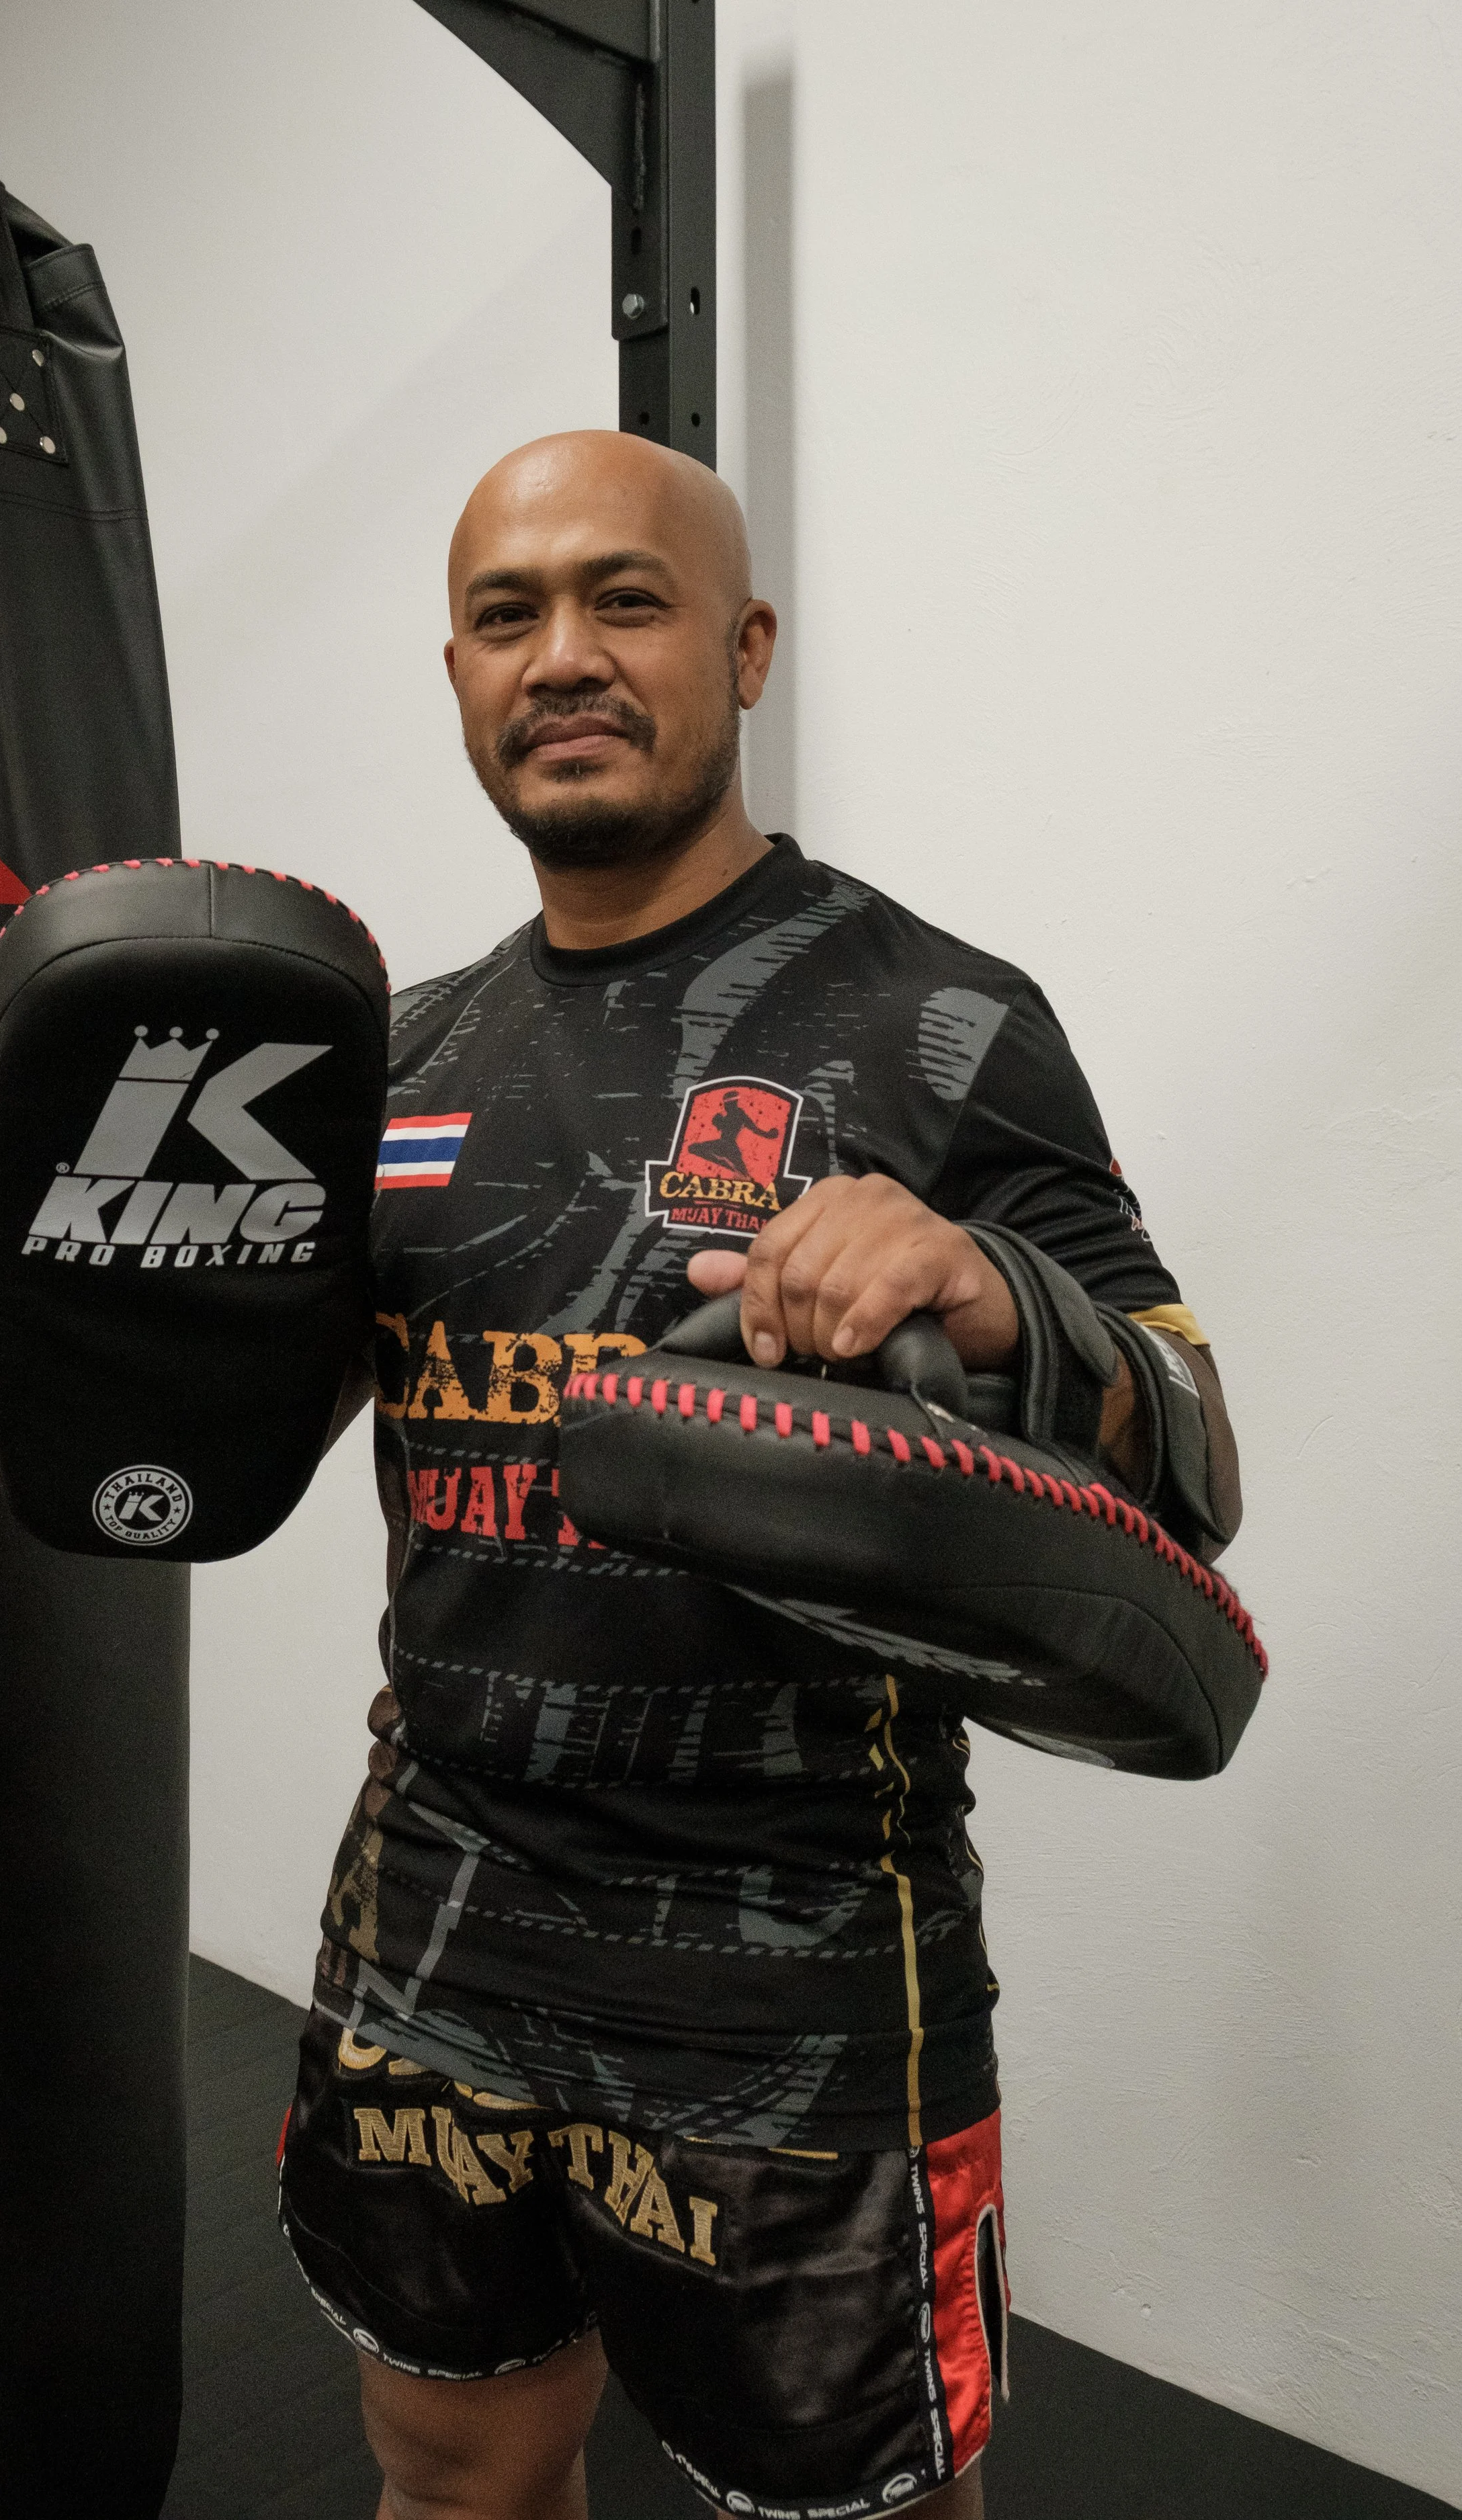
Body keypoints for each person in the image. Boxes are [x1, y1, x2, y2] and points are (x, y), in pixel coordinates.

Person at [278, 430, 1242, 2520]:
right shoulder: (404, 1053)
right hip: (433, 1919)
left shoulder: (935, 1024)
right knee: (445, 2464)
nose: (563, 656)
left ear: (745, 646)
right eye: (509, 615)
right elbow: (240, 1425)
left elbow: (1196, 1447)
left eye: (624, 600)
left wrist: (987, 1287)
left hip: (794, 1967)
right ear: (454, 667)